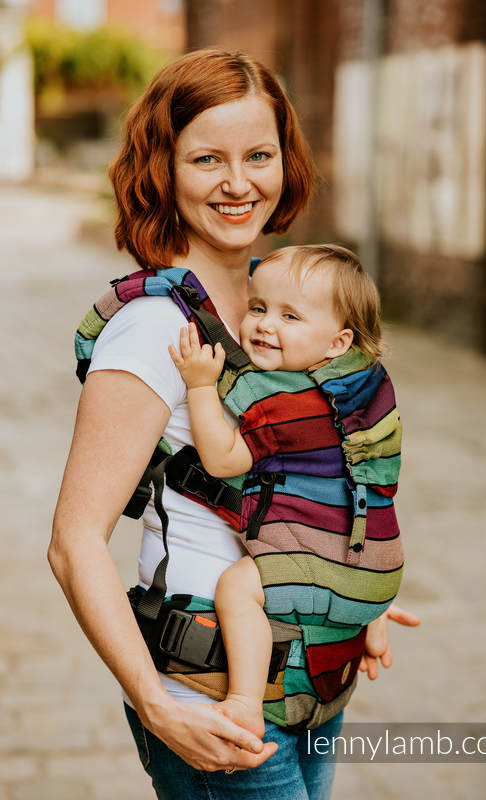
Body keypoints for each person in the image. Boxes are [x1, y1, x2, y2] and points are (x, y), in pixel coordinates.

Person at [49, 48, 419, 800]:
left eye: (259, 154)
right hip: (212, 695)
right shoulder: (154, 326)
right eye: (206, 158)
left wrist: (349, 591)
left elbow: (313, 472)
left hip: (311, 682)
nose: (238, 183)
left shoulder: (272, 298)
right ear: (162, 167)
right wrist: (157, 708)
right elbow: (72, 543)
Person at [169, 243, 403, 741]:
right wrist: (372, 610)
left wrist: (199, 386)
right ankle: (367, 621)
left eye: (289, 315)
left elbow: (222, 459)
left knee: (236, 588)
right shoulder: (371, 386)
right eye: (257, 307)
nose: (264, 325)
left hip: (330, 571)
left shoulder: (282, 397)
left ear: (338, 341)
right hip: (379, 565)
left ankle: (245, 702)